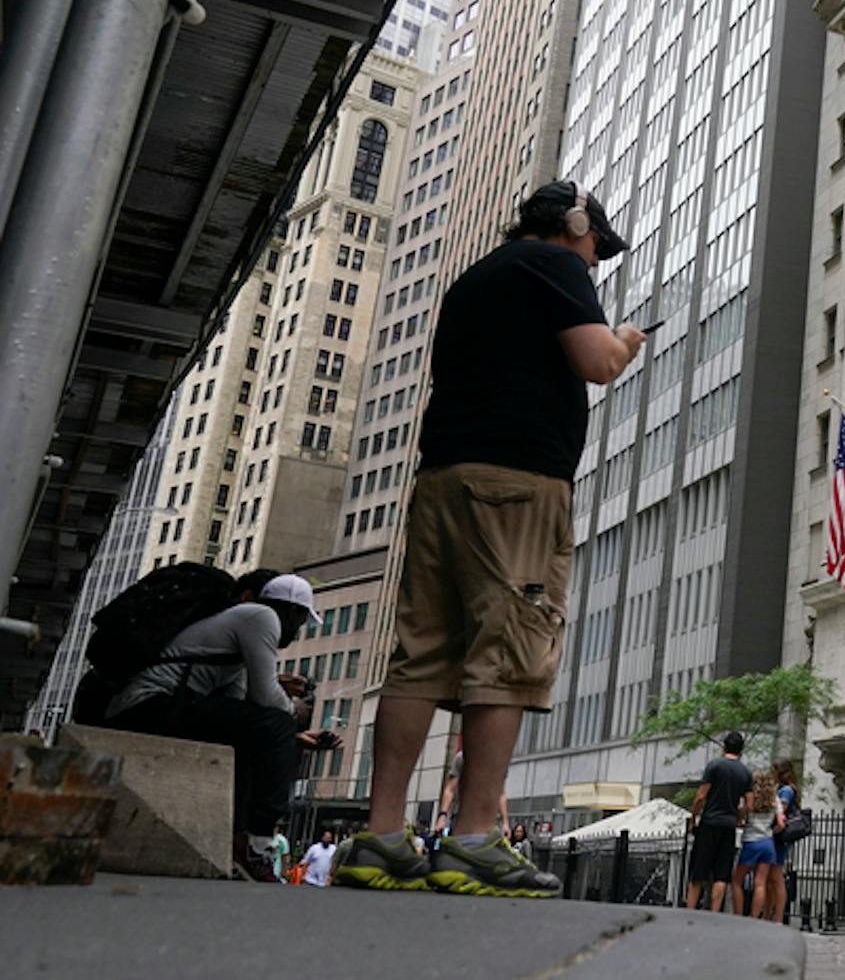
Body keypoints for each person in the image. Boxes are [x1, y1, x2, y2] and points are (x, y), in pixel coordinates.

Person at [338, 181, 643, 899]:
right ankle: (475, 837)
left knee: (421, 652)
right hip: (518, 478)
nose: (596, 263)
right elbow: (596, 360)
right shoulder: (554, 266)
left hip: (444, 475)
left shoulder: (475, 278)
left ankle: (381, 835)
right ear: (574, 225)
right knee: (509, 647)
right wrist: (624, 340)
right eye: (597, 246)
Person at [103, 573, 341, 882]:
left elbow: (242, 705)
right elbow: (266, 696)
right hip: (149, 704)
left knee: (251, 735)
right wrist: (294, 712)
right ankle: (258, 843)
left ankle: (238, 839)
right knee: (277, 721)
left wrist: (292, 738)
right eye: (300, 621)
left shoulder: (238, 636)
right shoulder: (261, 616)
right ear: (292, 612)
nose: (297, 631)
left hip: (161, 707)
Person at [686, 731, 753, 913]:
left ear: (724, 746)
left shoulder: (715, 765)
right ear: (741, 750)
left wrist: (693, 818)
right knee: (722, 874)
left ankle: (690, 910)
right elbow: (750, 803)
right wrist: (738, 817)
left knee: (698, 871)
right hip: (729, 825)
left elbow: (701, 796)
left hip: (709, 822)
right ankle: (715, 913)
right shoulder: (745, 772)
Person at [730, 769, 781, 926]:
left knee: (737, 881)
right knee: (760, 883)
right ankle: (754, 918)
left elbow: (740, 818)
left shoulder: (750, 799)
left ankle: (738, 915)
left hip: (751, 842)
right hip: (768, 842)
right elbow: (780, 824)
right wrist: (771, 832)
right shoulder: (775, 799)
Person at [438, 737, 510, 838]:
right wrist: (442, 816)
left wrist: (505, 822)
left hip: (487, 817)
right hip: (462, 815)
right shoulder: (462, 758)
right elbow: (450, 789)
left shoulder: (498, 763)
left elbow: (501, 793)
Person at [762, 760, 799, 923]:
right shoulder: (785, 789)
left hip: (779, 838)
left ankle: (777, 916)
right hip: (776, 837)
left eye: (774, 771)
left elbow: (780, 811)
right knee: (771, 878)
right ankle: (768, 914)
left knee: (776, 877)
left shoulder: (786, 791)